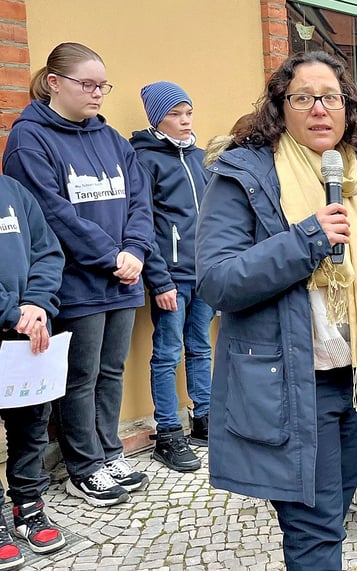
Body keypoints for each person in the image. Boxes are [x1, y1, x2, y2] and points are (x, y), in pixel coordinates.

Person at [194, 51, 357, 569]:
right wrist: (306, 240)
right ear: (280, 109)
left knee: (330, 515)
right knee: (315, 529)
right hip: (290, 386)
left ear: (349, 108)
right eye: (302, 97)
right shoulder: (243, 175)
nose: (318, 109)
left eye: (330, 97)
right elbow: (218, 282)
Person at [3, 42, 152, 506]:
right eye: (87, 84)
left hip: (124, 279)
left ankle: (109, 452)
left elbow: (139, 201)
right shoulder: (30, 140)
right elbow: (52, 215)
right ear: (54, 83)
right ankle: (83, 465)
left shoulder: (112, 140)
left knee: (110, 372)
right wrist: (111, 255)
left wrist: (135, 251)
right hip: (77, 284)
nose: (97, 94)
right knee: (79, 377)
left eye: (102, 86)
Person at [128, 81, 213, 474]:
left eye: (188, 113)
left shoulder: (200, 157)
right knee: (166, 355)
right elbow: (144, 224)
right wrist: (158, 280)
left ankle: (203, 417)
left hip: (204, 275)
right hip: (171, 279)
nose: (184, 121)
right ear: (157, 119)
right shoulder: (144, 160)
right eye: (174, 115)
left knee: (200, 348)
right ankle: (167, 432)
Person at [0, 175, 66, 565]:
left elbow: (47, 251)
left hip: (30, 333)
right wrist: (12, 311)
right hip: (16, 321)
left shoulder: (14, 191)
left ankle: (28, 504)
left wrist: (37, 304)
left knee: (31, 424)